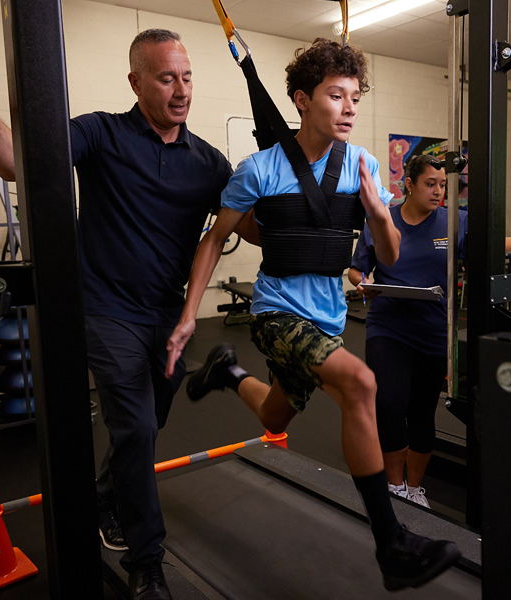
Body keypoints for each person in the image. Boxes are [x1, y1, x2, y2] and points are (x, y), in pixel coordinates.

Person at [0, 29, 251, 600]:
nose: (180, 90)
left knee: (148, 424)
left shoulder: (208, 162)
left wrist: (302, 169)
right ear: (135, 81)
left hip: (166, 316)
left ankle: (104, 496)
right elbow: (15, 162)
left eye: (186, 77)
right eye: (165, 77)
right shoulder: (100, 132)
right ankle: (146, 560)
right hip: (103, 309)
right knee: (132, 424)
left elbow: (255, 227)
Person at [164, 39, 461, 591]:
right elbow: (214, 238)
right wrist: (187, 317)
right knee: (360, 383)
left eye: (354, 96)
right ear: (302, 100)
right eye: (335, 95)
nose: (349, 108)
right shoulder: (261, 169)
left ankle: (228, 371)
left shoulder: (364, 166)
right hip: (276, 312)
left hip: (325, 318)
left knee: (276, 417)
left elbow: (390, 256)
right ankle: (391, 544)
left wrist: (377, 215)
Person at [348, 154, 511, 508]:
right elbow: (356, 271)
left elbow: (495, 240)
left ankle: (415, 489)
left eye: (443, 185)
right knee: (388, 404)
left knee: (421, 412)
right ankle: (394, 486)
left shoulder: (453, 223)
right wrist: (364, 283)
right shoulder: (382, 220)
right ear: (410, 185)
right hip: (388, 327)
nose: (439, 192)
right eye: (430, 184)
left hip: (433, 330)